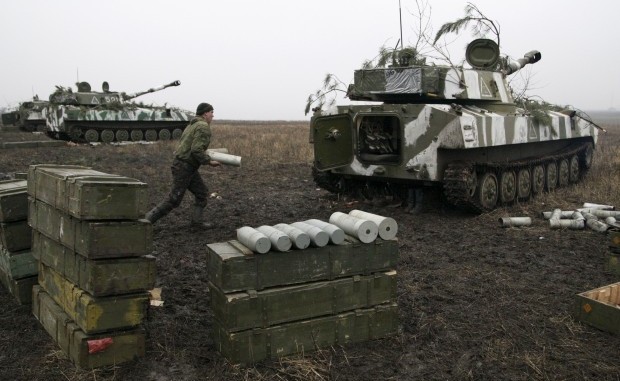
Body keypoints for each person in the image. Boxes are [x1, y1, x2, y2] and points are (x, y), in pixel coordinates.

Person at [145, 102, 220, 228]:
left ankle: (197, 223)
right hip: (185, 167)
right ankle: (146, 221)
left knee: (201, 193)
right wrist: (209, 161)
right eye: (212, 112)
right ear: (205, 113)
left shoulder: (192, 125)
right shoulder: (203, 126)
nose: (213, 115)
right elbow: (196, 149)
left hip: (185, 165)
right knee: (174, 199)